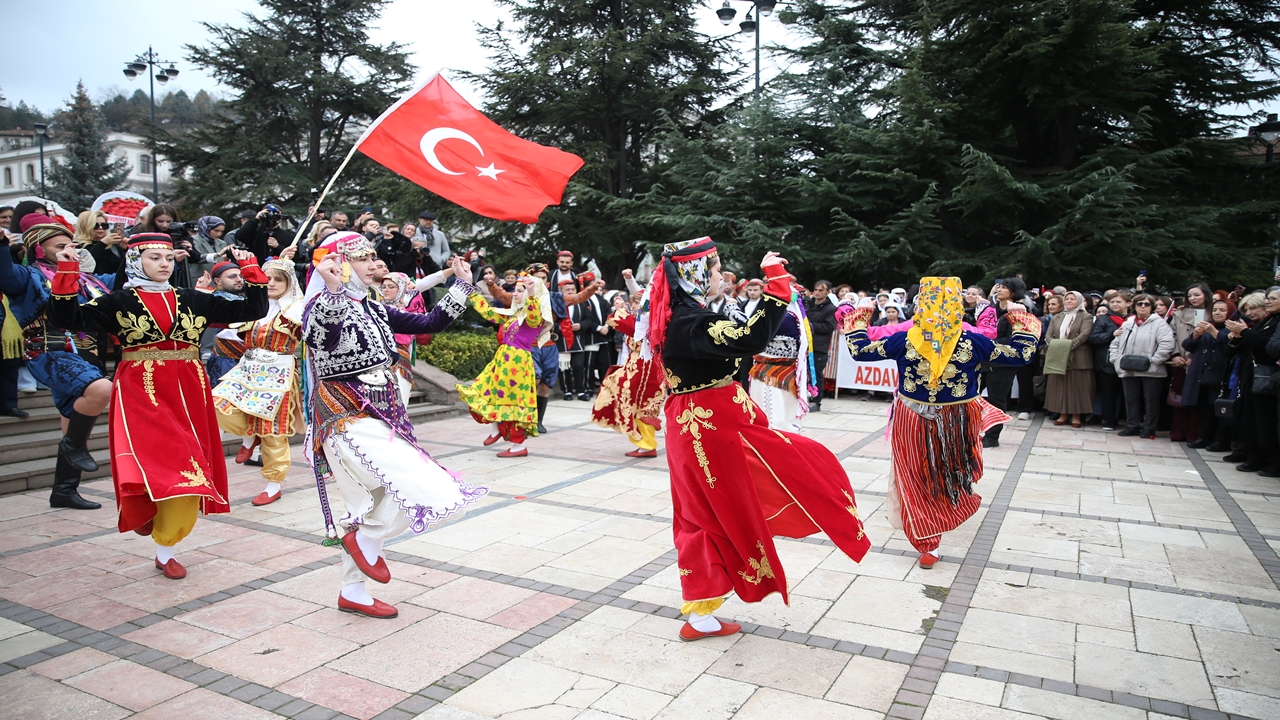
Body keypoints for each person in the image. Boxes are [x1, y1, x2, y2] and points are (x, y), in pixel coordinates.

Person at [649, 237, 871, 641]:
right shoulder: (689, 322)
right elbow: (750, 340)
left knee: (707, 511)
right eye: (714, 270)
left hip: (709, 424)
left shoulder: (686, 316)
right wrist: (777, 285)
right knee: (716, 509)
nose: (720, 276)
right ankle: (700, 613)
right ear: (696, 275)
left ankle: (702, 611)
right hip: (708, 428)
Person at [50, 234, 269, 578]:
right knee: (162, 459)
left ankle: (165, 547)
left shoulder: (194, 298)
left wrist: (251, 270)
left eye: (168, 258)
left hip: (189, 390)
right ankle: (144, 506)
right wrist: (67, 269)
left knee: (191, 468)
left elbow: (253, 310)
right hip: (142, 389)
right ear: (136, 261)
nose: (165, 264)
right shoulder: (118, 301)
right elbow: (67, 318)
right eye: (154, 257)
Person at [302, 233, 485, 618]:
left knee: (377, 501)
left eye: (374, 257)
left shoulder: (376, 308)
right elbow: (320, 338)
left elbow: (431, 321)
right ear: (338, 264)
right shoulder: (320, 304)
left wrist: (463, 282)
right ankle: (364, 542)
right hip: (343, 414)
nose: (374, 265)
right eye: (363, 259)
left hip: (382, 415)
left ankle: (352, 588)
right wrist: (333, 289)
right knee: (422, 484)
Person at [843, 277, 1040, 567]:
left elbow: (859, 351)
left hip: (913, 417)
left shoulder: (905, 340)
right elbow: (1020, 354)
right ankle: (937, 526)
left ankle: (927, 541)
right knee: (949, 474)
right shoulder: (972, 342)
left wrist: (858, 320)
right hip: (956, 419)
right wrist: (1023, 322)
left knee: (914, 475)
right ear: (957, 309)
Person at [1, 217, 119, 509]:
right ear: (39, 250)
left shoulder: (90, 280)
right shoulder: (28, 276)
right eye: (60, 246)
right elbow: (5, 277)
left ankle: (64, 491)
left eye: (71, 245)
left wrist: (139, 255)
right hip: (50, 353)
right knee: (102, 390)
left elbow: (123, 284)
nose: (70, 250)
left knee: (74, 425)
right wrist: (2, 245)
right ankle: (74, 450)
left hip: (88, 355)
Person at [211, 251, 301, 506]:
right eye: (267, 278)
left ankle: (274, 485)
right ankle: (250, 436)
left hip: (279, 372)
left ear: (289, 284)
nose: (271, 283)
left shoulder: (297, 310)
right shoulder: (251, 307)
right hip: (247, 369)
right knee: (216, 402)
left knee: (273, 432)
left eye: (278, 280)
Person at [486, 264, 601, 433]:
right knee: (533, 381)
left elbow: (577, 298)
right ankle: (524, 420)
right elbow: (502, 296)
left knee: (545, 385)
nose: (541, 281)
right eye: (536, 278)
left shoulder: (554, 298)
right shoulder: (520, 295)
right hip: (528, 347)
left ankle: (539, 421)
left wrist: (593, 287)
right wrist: (491, 284)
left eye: (544, 278)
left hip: (549, 346)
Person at [459, 276, 545, 457]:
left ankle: (518, 445)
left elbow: (534, 314)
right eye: (516, 290)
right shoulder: (514, 314)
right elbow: (488, 312)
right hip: (503, 360)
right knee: (485, 389)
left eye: (520, 291)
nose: (515, 294)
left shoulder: (535, 315)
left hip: (517, 363)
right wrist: (469, 289)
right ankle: (496, 427)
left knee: (512, 401)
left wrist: (530, 294)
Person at [592, 276, 665, 457]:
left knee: (643, 404)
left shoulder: (647, 322)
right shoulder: (644, 320)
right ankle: (643, 442)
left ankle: (647, 445)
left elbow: (623, 324)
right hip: (639, 365)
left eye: (636, 303)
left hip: (645, 368)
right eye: (632, 303)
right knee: (636, 402)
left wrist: (619, 310)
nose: (633, 306)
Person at [748, 289, 817, 432]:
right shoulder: (797, 318)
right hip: (786, 373)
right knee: (785, 413)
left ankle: (775, 444)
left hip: (772, 373)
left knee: (772, 413)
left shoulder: (784, 319)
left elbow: (750, 329)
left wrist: (731, 308)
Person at [1110, 293, 1177, 440]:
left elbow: (1167, 344)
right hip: (1128, 367)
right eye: (1140, 304)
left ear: (1152, 307)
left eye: (1147, 304)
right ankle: (1132, 425)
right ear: (1134, 306)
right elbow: (1115, 343)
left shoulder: (1159, 323)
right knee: (1131, 398)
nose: (1143, 306)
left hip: (1151, 369)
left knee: (1151, 400)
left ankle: (1149, 428)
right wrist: (1116, 359)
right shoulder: (1128, 323)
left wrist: (1154, 361)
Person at [1234, 287, 1280, 475]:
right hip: (1252, 373)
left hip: (1268, 376)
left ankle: (1272, 461)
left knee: (1265, 421)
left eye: (1272, 299)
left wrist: (1245, 333)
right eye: (1267, 298)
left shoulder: (1275, 322)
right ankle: (1254, 457)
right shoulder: (1267, 321)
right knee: (1251, 418)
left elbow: (1268, 347)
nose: (1269, 301)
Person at [983, 277, 1033, 445]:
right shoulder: (991, 310)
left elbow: (1014, 338)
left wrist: (987, 343)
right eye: (999, 286)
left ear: (1014, 291)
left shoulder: (1019, 312)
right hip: (984, 360)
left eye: (1004, 287)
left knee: (997, 400)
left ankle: (992, 437)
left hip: (1003, 362)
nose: (999, 289)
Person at [1185, 299, 1234, 450]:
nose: (1217, 313)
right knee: (1205, 408)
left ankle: (1221, 441)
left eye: (1222, 310)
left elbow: (1230, 347)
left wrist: (1214, 332)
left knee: (1220, 409)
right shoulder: (1207, 326)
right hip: (1203, 373)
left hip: (1222, 375)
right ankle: (1204, 437)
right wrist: (1195, 336)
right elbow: (1188, 346)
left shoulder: (1233, 328)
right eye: (1215, 310)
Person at [1168, 284, 1212, 442]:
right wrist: (1174, 355)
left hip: (1200, 363)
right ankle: (1178, 432)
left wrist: (1196, 356)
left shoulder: (1213, 313)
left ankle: (1195, 435)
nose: (1193, 298)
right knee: (1178, 399)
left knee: (1197, 400)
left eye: (1197, 295)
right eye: (1190, 295)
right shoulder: (1178, 313)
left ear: (1206, 295)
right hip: (1179, 361)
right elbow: (1170, 335)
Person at [1044, 291, 1095, 428]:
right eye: (1067, 299)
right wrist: (1056, 346)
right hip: (1058, 355)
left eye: (1073, 299)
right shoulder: (1057, 317)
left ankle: (1076, 415)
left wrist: (1067, 346)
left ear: (1078, 301)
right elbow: (1049, 335)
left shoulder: (1086, 316)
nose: (1069, 301)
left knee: (1077, 386)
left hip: (1078, 356)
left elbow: (1084, 334)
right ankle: (1063, 413)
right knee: (1060, 385)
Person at [380, 272, 429, 404]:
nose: (386, 290)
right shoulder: (375, 307)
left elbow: (407, 337)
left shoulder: (406, 312)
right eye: (384, 286)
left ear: (401, 288)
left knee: (398, 399)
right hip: (378, 363)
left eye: (391, 286)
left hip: (398, 360)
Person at [1090, 292, 1130, 430]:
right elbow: (1094, 338)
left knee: (1128, 393)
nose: (1115, 304)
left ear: (1128, 303)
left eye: (1119, 302)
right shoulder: (1104, 320)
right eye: (1112, 302)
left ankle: (1128, 420)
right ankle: (1109, 419)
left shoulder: (1133, 319)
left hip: (1129, 361)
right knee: (1109, 392)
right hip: (1107, 362)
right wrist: (1111, 334)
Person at [806, 280, 837, 412]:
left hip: (819, 346)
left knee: (815, 373)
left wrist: (812, 326)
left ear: (828, 292)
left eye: (821, 290)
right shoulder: (808, 304)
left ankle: (816, 400)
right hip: (804, 344)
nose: (817, 293)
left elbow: (830, 327)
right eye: (816, 290)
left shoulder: (831, 309)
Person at [188, 216, 228, 281]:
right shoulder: (193, 240)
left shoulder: (222, 243)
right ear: (206, 228)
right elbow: (196, 258)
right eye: (216, 230)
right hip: (199, 279)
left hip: (218, 280)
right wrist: (217, 255)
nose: (219, 234)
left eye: (221, 231)